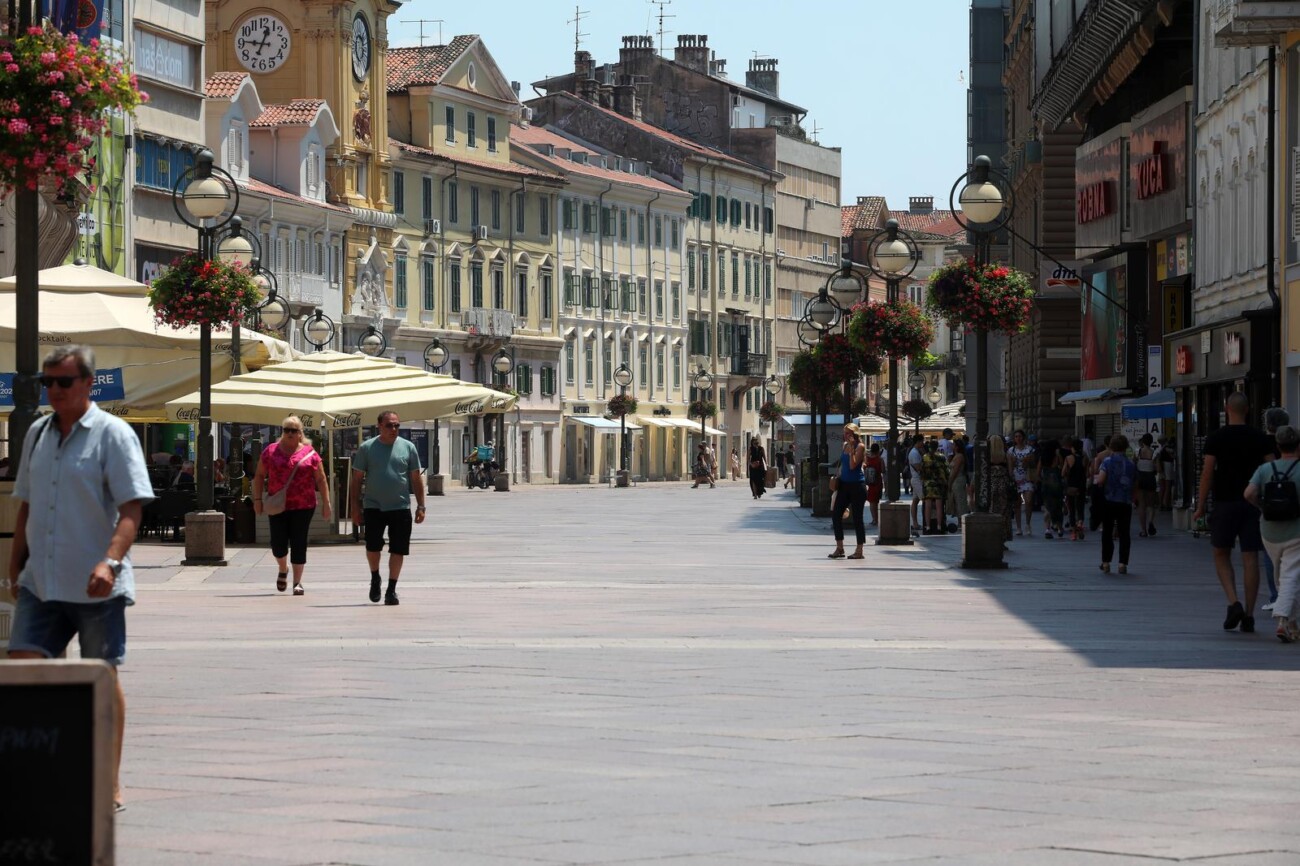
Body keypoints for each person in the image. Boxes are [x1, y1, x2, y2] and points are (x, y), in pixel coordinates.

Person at [6, 345, 154, 813]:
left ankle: (107, 780)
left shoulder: (113, 435)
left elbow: (132, 508)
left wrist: (109, 561)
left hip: (98, 583)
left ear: (88, 384)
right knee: (25, 672)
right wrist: (15, 565)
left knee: (99, 676)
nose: (53, 391)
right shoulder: (36, 433)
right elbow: (26, 502)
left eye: (62, 382)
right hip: (42, 581)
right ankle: (41, 771)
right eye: (46, 383)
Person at [1194, 392, 1275, 633]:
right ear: (1248, 409)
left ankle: (1233, 602)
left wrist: (1200, 505)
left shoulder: (1216, 438)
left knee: (1221, 553)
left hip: (1225, 502)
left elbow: (1207, 472)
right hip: (1253, 504)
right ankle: (1249, 614)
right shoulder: (1260, 438)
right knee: (1251, 558)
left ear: (1227, 409)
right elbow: (1271, 469)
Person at [350, 411, 425, 606]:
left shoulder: (408, 448)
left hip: (400, 506)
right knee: (373, 546)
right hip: (373, 506)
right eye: (389, 425)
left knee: (398, 549)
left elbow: (416, 478)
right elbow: (356, 480)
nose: (394, 429)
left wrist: (421, 505)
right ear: (379, 426)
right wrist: (355, 508)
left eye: (397, 426)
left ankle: (391, 589)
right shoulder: (367, 448)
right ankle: (375, 577)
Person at [252, 416, 331, 596]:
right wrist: (257, 500)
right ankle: (282, 568)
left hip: (304, 505)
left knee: (299, 541)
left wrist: (326, 503)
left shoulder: (310, 453)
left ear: (300, 433)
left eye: (293, 430)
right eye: (286, 429)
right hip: (277, 505)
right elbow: (258, 476)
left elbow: (321, 479)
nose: (289, 433)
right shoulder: (270, 451)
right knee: (277, 544)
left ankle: (297, 582)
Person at [1245, 425, 1300, 641]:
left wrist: (1262, 507)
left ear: (1278, 446)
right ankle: (1283, 620)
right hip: (1296, 531)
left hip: (1269, 531)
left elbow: (1248, 493)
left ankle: (1293, 623)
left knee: (1282, 576)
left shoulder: (1265, 469)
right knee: (1290, 576)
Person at [1260, 407, 1290, 612]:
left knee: (1270, 552)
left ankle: (1276, 595)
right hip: (1292, 502)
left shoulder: (1261, 444)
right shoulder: (1292, 443)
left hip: (1268, 503)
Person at [1096, 434, 1137, 573]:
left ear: (1111, 446)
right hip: (1125, 502)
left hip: (1109, 500)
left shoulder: (1107, 462)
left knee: (1107, 532)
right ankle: (1122, 564)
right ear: (1125, 447)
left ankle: (1106, 562)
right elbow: (1134, 483)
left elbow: (1101, 480)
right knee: (1124, 532)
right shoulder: (1131, 463)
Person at [828, 425, 868, 560]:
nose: (845, 436)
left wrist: (851, 451)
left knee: (857, 518)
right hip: (844, 485)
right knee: (836, 514)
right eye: (844, 433)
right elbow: (843, 465)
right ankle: (840, 547)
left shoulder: (860, 446)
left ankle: (859, 550)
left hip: (857, 486)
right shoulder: (844, 445)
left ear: (854, 434)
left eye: (848, 433)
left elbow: (852, 465)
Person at [1009, 430, 1037, 536]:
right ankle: (1019, 527)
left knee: (1029, 501)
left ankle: (1028, 524)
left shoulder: (1030, 449)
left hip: (1027, 477)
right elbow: (1010, 466)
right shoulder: (1011, 450)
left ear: (1023, 438)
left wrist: (1028, 461)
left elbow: (1034, 463)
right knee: (1017, 504)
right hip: (1016, 478)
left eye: (1020, 436)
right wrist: (1010, 477)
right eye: (1016, 436)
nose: (1018, 438)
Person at [988, 435, 1015, 542]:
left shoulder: (987, 456)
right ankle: (1002, 538)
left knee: (991, 510)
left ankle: (992, 538)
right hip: (1003, 485)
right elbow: (1011, 473)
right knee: (1004, 512)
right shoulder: (1006, 455)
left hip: (991, 486)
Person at [920, 439, 949, 535]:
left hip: (928, 484)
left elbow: (922, 471)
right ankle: (939, 526)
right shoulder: (942, 457)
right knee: (939, 506)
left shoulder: (925, 457)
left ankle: (927, 527)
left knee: (927, 506)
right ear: (937, 447)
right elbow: (946, 470)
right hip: (939, 484)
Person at [1064, 438, 1089, 541]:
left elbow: (1063, 472)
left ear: (1072, 448)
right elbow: (1087, 473)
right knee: (1080, 507)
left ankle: (1074, 533)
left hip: (1071, 485)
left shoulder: (1069, 458)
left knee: (1071, 508)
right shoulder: (1085, 457)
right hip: (1081, 485)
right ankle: (1080, 523)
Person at [1135, 433, 1158, 538]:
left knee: (1141, 505)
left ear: (1143, 441)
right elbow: (1157, 468)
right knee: (1151, 504)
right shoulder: (1154, 453)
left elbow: (1134, 464)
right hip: (1150, 478)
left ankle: (1143, 530)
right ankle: (1151, 521)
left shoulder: (1137, 451)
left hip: (1140, 478)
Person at [1040, 446, 1065, 539]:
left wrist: (1043, 481)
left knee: (1047, 507)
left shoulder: (1043, 460)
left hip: (1046, 487)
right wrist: (1059, 455)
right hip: (1057, 487)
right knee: (1058, 507)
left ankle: (1048, 528)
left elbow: (1038, 473)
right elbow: (1062, 468)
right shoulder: (1056, 460)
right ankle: (1059, 527)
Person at [947, 435, 969, 525]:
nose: (951, 446)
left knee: (960, 500)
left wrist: (950, 482)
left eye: (953, 445)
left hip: (958, 480)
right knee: (956, 500)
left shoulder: (959, 456)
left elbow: (955, 471)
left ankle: (962, 521)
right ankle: (960, 521)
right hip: (956, 480)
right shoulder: (955, 456)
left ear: (957, 447)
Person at [864, 443, 885, 526]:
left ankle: (874, 519)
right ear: (878, 450)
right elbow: (883, 470)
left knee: (872, 502)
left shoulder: (867, 458)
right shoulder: (880, 459)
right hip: (878, 482)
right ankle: (876, 519)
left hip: (869, 483)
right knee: (876, 502)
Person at [907, 434, 925, 532]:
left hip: (916, 479)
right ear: (918, 442)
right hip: (917, 479)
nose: (923, 443)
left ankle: (915, 523)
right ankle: (923, 522)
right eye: (922, 441)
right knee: (925, 500)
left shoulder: (916, 452)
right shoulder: (914, 453)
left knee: (915, 501)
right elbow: (918, 468)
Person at [1158, 436, 1177, 510]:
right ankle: (1166, 503)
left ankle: (1161, 503)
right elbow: (1174, 456)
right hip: (1168, 465)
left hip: (1162, 467)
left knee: (1162, 486)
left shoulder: (1161, 449)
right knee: (1168, 485)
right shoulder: (1168, 448)